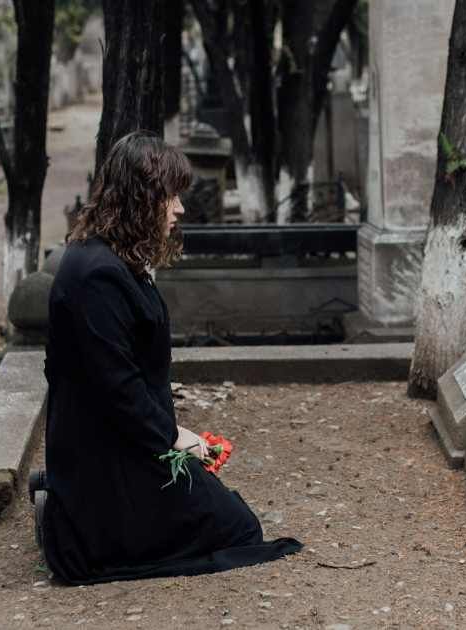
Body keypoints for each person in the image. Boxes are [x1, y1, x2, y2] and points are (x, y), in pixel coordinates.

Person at [33, 131, 302, 585]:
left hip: (124, 446)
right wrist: (177, 438)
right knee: (238, 528)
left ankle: (64, 500)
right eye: (170, 196)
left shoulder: (109, 260)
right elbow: (115, 388)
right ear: (142, 198)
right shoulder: (98, 275)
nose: (178, 208)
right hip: (113, 461)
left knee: (227, 516)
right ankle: (68, 524)